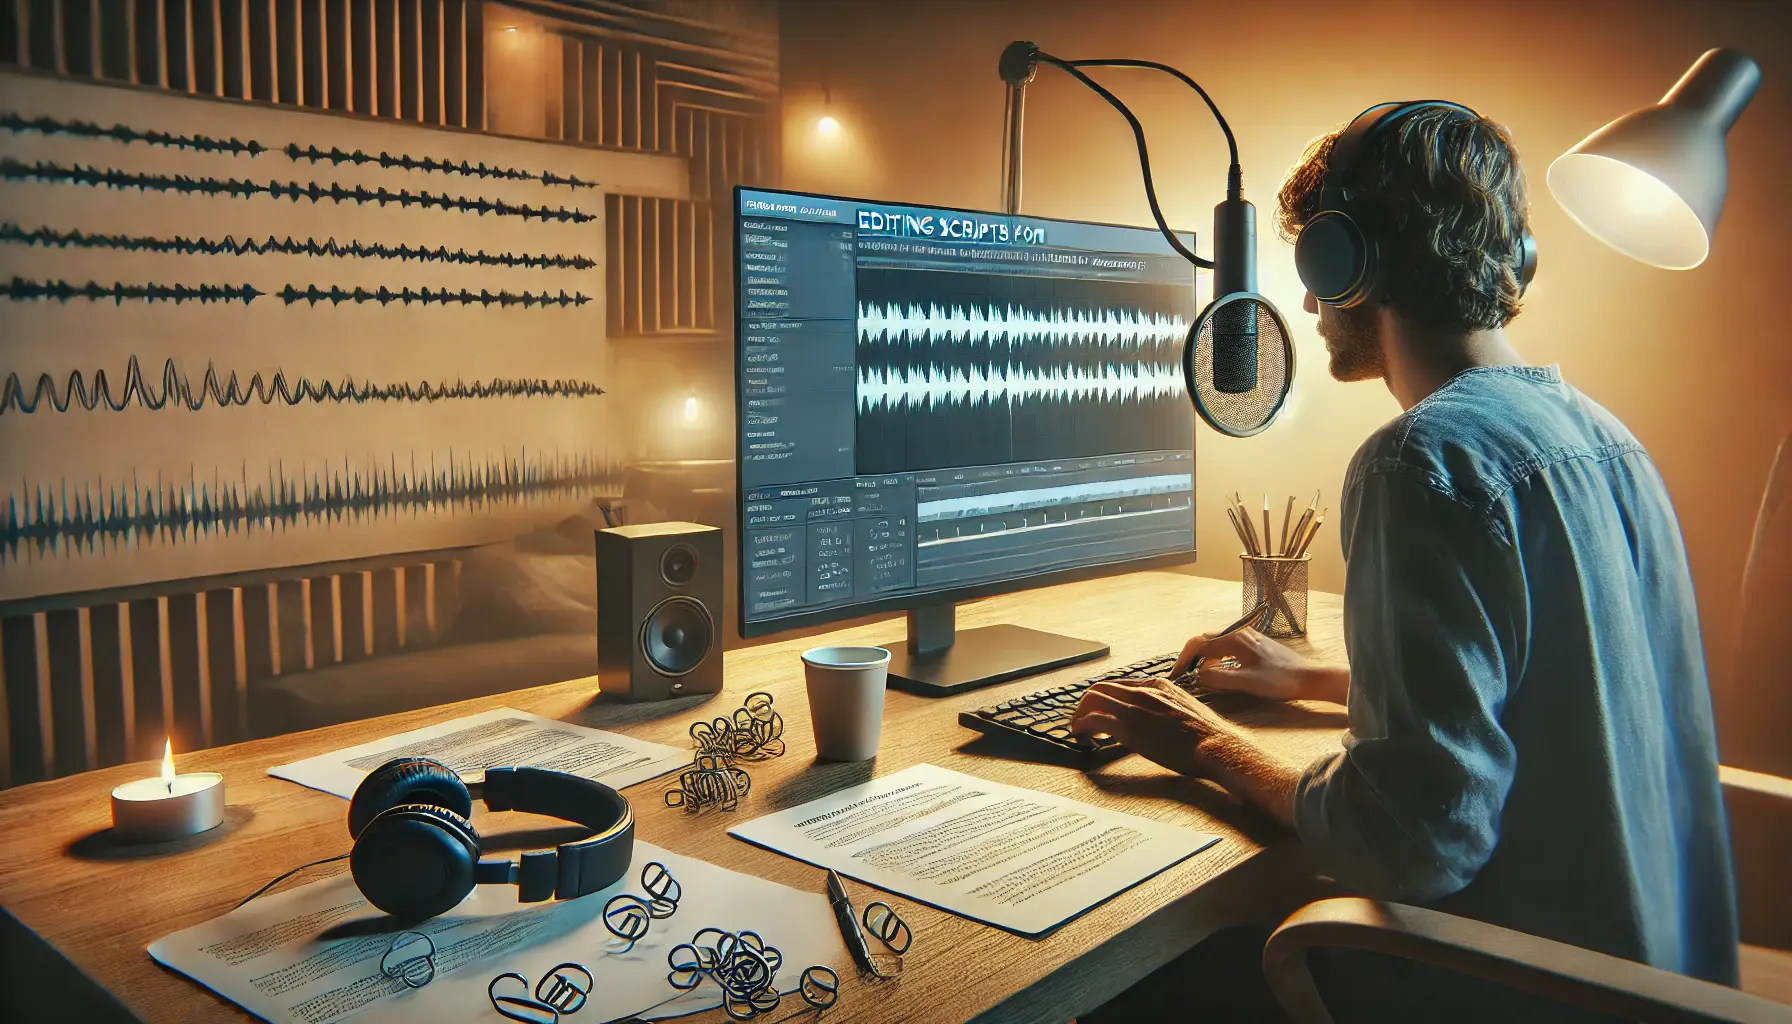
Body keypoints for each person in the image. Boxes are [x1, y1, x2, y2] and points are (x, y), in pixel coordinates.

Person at [1071, 104, 1739, 1021]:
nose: (1306, 303)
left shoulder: (1417, 464)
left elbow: (1412, 842)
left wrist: (1204, 744)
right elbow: (1559, 691)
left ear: (1348, 261)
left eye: (1312, 267)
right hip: (1653, 980)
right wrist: (1314, 680)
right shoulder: (1601, 436)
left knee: (1137, 985)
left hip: (1529, 988)